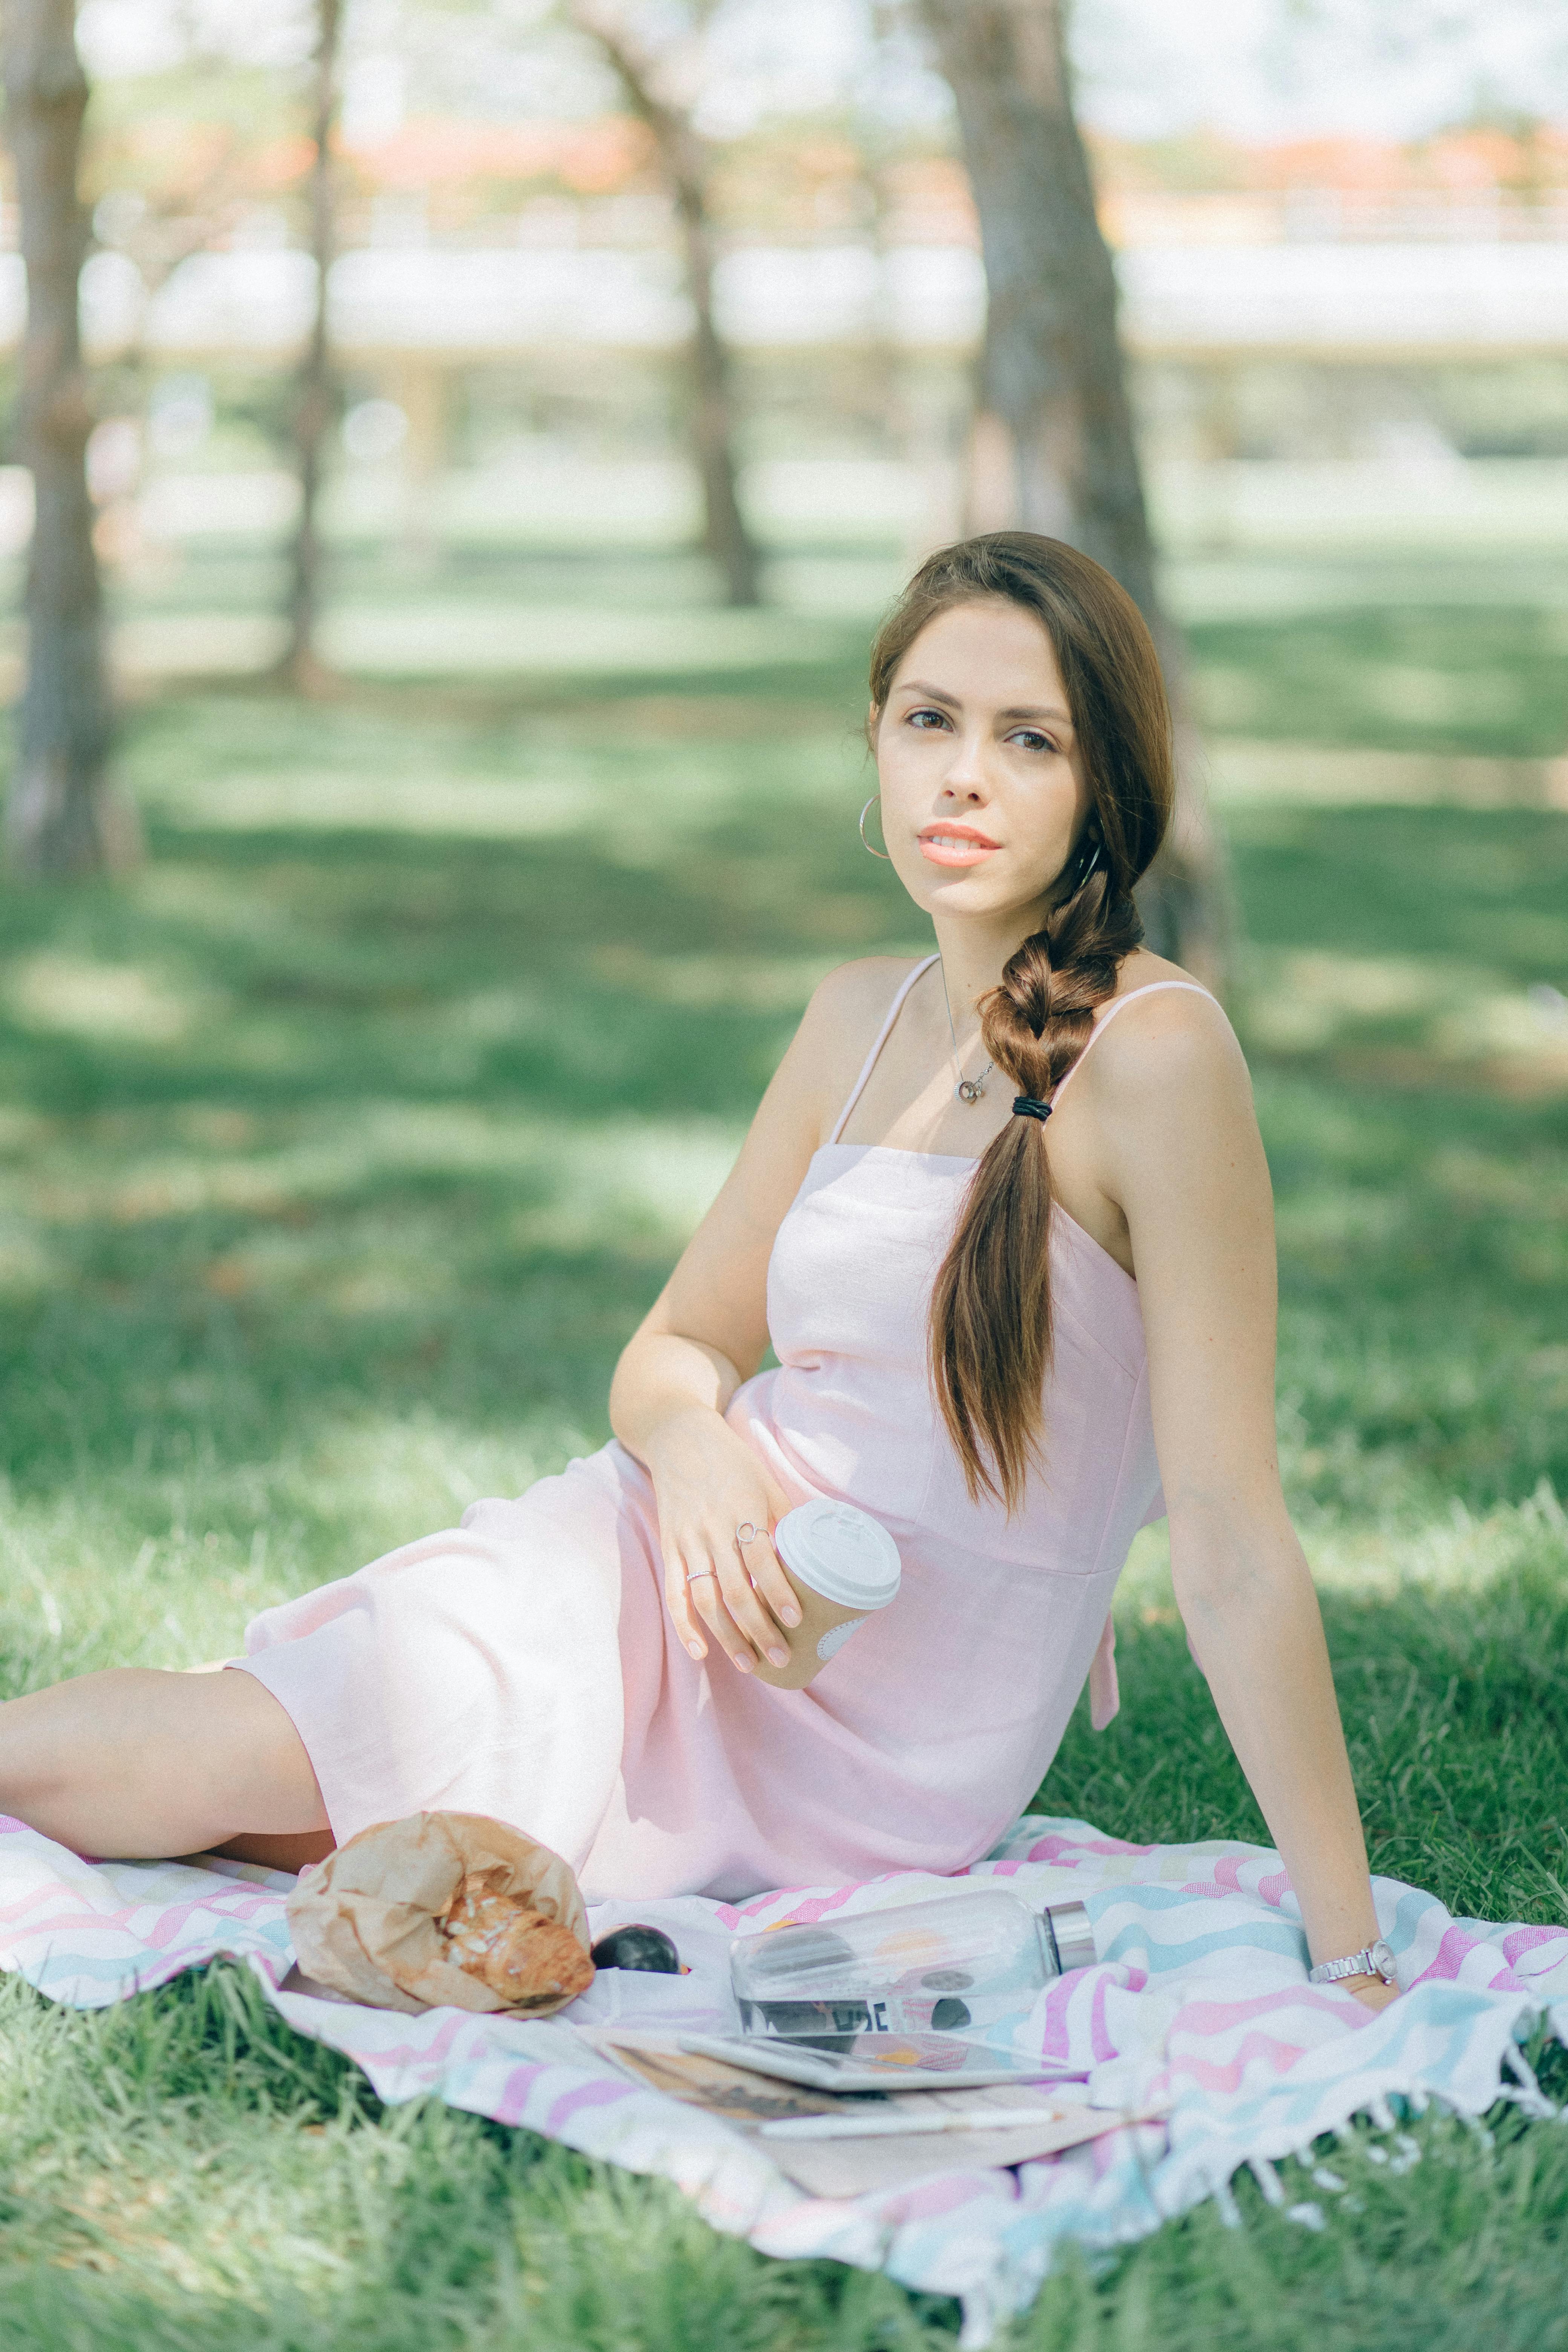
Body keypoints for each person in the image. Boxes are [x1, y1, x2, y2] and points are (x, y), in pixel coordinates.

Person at [0, 533, 1398, 2010]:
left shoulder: (1154, 1054)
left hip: (885, 1743)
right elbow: (674, 1348)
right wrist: (697, 1459)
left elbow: (1234, 1541)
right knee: (228, 1774)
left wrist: (1348, 1942)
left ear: (1103, 786)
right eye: (927, 719)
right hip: (650, 1580)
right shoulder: (855, 1016)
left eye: (1025, 737)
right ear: (874, 739)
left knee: (244, 1779)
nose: (961, 775)